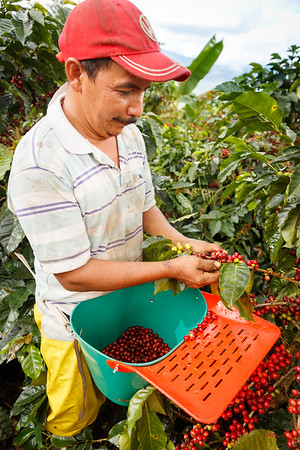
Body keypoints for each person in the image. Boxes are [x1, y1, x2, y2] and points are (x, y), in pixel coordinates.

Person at [7, 0, 222, 438]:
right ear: (76, 75)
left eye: (143, 91)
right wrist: (169, 268)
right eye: (125, 90)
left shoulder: (128, 133)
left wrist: (184, 244)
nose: (138, 108)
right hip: (76, 319)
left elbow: (146, 212)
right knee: (73, 415)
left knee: (127, 391)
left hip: (130, 299)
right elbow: (75, 275)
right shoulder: (41, 164)